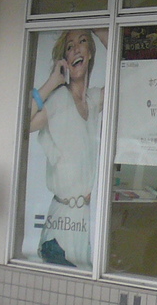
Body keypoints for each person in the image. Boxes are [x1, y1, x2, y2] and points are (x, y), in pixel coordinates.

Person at [28, 28, 108, 268]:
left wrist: (103, 28)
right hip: (60, 230)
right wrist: (53, 81)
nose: (76, 49)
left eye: (82, 42)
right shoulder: (58, 100)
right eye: (70, 46)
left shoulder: (92, 100)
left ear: (90, 53)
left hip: (83, 226)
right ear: (64, 59)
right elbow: (22, 124)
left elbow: (126, 73)